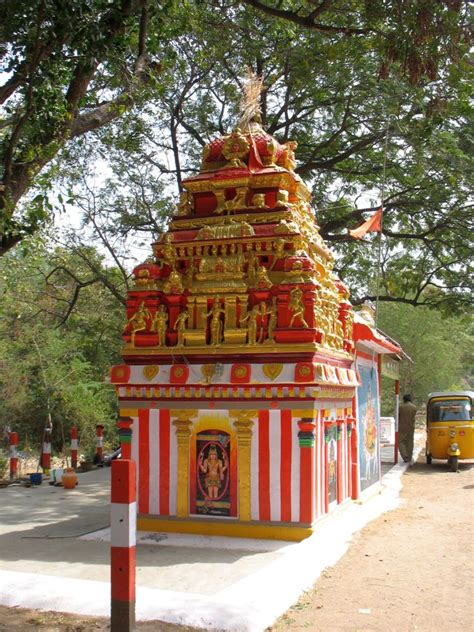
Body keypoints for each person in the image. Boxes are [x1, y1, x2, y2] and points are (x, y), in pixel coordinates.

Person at [398, 394, 417, 463]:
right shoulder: (414, 407)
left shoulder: (401, 407)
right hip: (411, 427)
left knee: (400, 441)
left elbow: (398, 416)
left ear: (404, 399)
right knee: (410, 442)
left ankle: (404, 456)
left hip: (402, 427)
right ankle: (409, 457)